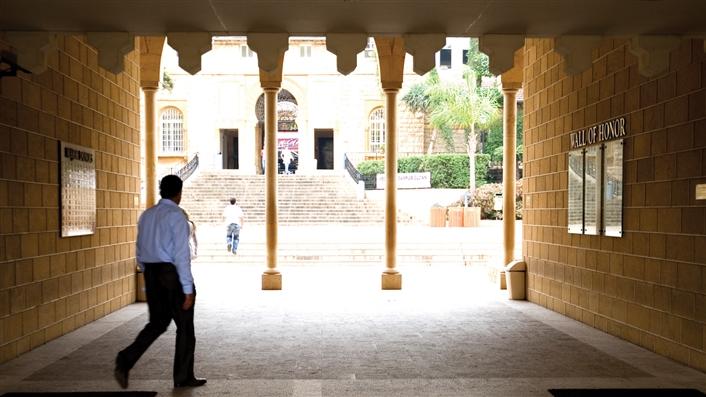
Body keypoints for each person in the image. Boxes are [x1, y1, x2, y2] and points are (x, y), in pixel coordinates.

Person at [114, 175, 206, 389]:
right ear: (179, 193)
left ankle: (126, 359)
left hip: (152, 273)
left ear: (161, 191)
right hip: (171, 274)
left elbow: (139, 248)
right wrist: (187, 289)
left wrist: (148, 273)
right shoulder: (177, 217)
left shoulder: (147, 215)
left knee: (157, 323)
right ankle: (183, 377)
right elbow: (181, 256)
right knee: (184, 327)